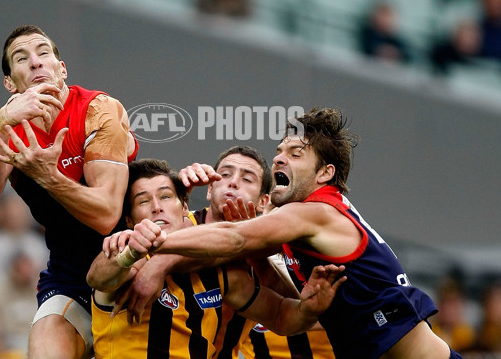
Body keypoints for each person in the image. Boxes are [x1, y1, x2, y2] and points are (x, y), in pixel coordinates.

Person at [146, 106, 463, 359]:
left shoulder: (315, 213)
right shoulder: (296, 218)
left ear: (325, 173)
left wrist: (153, 246)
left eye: (296, 153)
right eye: (280, 151)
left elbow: (234, 238)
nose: (280, 157)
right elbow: (251, 262)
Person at [0, 24, 138, 359]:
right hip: (70, 275)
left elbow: (106, 215)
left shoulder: (97, 109)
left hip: (131, 266)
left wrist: (48, 176)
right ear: (10, 83)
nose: (35, 63)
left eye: (43, 53)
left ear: (61, 69)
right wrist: (1, 122)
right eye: (21, 58)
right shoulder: (9, 128)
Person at [86, 158, 346, 359]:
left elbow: (280, 315)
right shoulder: (127, 256)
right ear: (130, 220)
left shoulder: (223, 271)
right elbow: (98, 277)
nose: (157, 206)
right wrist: (130, 252)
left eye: (166, 196)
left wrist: (308, 309)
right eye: (143, 201)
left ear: (184, 207)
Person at [178, 146, 335, 359]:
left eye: (247, 179)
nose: (233, 182)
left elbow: (301, 312)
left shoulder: (270, 256)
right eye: (224, 174)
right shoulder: (178, 227)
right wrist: (176, 194)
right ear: (208, 189)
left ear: (263, 202)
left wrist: (253, 251)